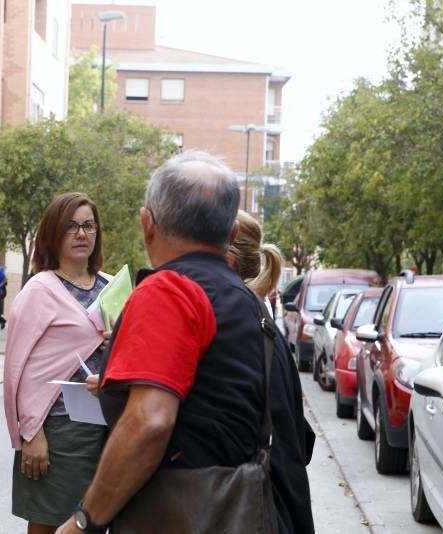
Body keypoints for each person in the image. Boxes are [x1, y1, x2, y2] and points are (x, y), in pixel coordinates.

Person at [57, 150, 266, 533]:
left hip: (183, 514)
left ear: (147, 223)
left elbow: (149, 422)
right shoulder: (247, 301)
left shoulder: (169, 291)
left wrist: (84, 521)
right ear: (231, 234)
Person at [4, 193, 111, 534]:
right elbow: (17, 370)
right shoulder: (39, 290)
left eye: (88, 225)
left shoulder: (111, 286)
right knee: (51, 525)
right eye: (71, 226)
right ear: (53, 233)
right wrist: (30, 434)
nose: (82, 234)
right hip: (59, 431)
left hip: (108, 428)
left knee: (93, 524)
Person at [227, 210, 316, 534]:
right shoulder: (262, 323)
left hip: (264, 509)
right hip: (283, 505)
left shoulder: (240, 329)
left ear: (229, 261)